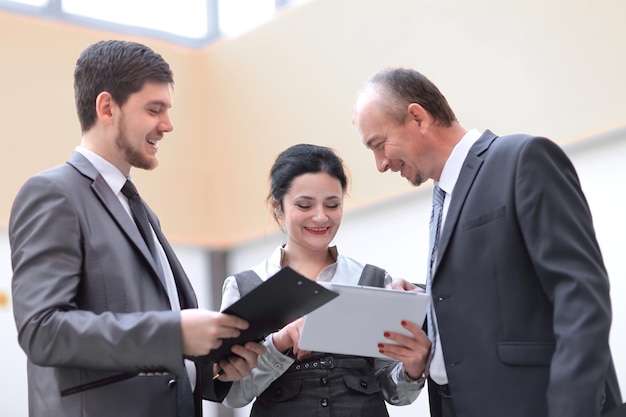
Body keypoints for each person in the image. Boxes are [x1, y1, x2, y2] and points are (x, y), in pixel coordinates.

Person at [9, 40, 265, 417]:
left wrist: (212, 368)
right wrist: (174, 333)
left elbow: (154, 353)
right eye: (154, 109)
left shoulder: (140, 211)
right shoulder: (53, 194)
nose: (168, 124)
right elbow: (41, 330)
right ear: (107, 107)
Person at [352, 67, 623, 417]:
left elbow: (580, 295)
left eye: (379, 144)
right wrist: (427, 301)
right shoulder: (442, 197)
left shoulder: (522, 159)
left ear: (417, 117)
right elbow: (499, 284)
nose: (380, 164)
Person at [219, 143, 431, 416]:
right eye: (304, 205)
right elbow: (233, 394)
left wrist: (413, 368)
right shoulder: (246, 286)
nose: (321, 216)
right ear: (278, 207)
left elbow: (395, 394)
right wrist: (279, 342)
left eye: (332, 204)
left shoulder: (372, 280)